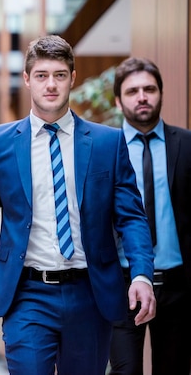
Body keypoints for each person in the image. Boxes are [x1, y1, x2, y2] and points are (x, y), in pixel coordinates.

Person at [0, 35, 156, 375]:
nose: (51, 84)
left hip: (90, 293)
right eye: (42, 75)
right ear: (28, 80)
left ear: (72, 79)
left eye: (60, 75)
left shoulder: (108, 142)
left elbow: (131, 217)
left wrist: (141, 275)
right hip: (27, 294)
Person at [109, 57, 191, 375]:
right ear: (118, 100)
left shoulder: (186, 144)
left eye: (149, 89)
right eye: (132, 91)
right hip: (122, 284)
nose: (142, 96)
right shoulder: (105, 149)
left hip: (178, 287)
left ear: (160, 93)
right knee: (125, 371)